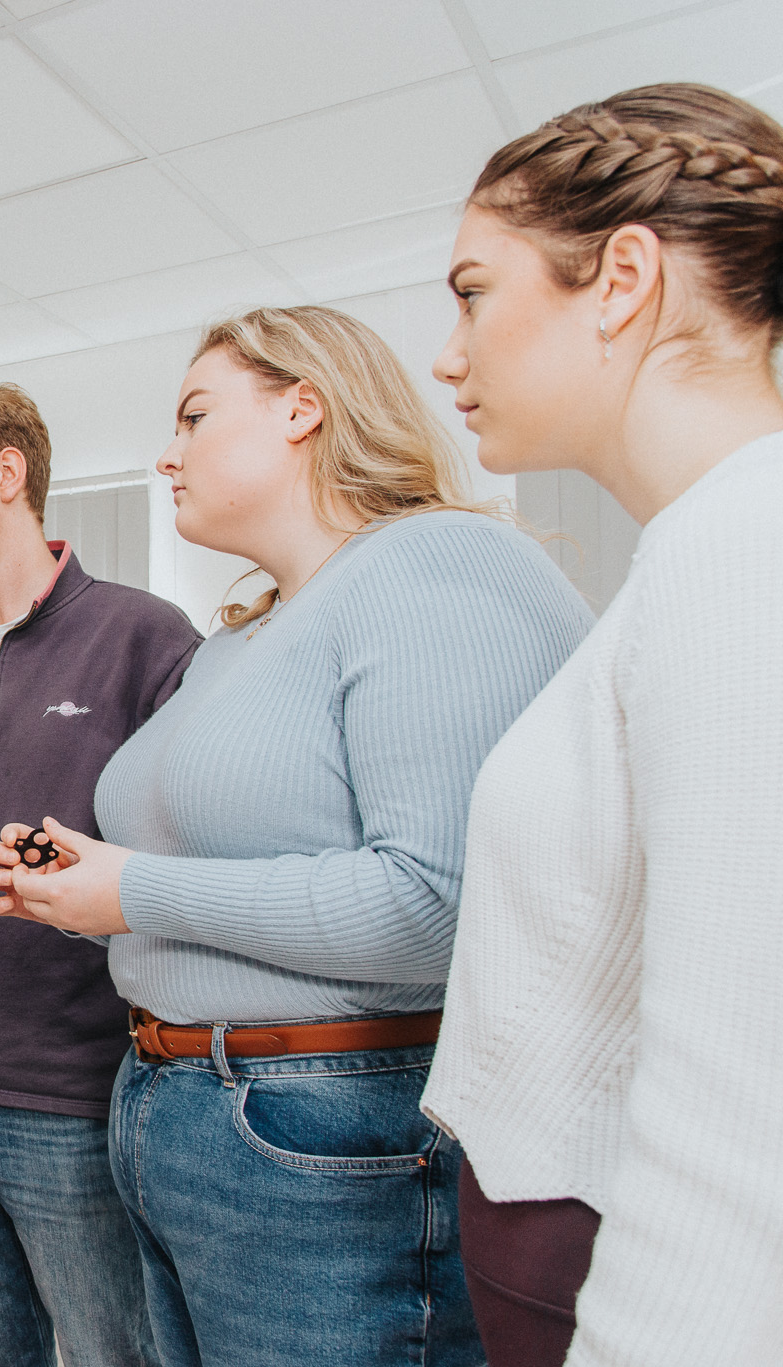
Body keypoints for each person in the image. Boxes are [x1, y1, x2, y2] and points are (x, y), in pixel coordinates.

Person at [0, 307, 593, 1367]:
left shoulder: (436, 561)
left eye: (194, 414)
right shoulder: (236, 640)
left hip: (325, 1128)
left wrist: (134, 891)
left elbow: (434, 907)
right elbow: (212, 890)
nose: (164, 453)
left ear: (302, 406)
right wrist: (81, 891)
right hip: (169, 1108)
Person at [421, 84, 783, 1367]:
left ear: (621, 276)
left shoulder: (742, 545)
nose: (445, 352)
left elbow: (743, 1126)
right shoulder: (694, 550)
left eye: (472, 292)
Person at [0, 381, 199, 1367]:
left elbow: (173, 857)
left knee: (111, 1351)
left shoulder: (144, 635)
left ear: (7, 474)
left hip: (67, 1087)